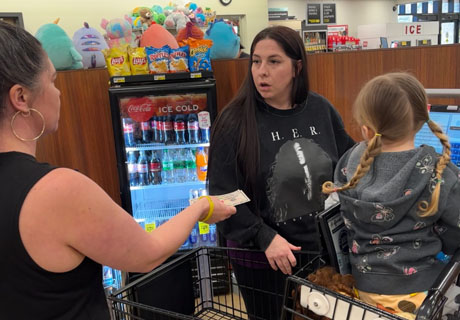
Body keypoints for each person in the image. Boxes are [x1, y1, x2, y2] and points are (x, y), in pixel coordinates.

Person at [0, 21, 236, 319]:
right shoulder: (57, 190)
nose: (58, 93)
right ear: (21, 97)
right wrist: (201, 206)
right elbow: (147, 254)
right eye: (53, 80)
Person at [208, 25, 355, 319]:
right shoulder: (234, 121)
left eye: (274, 62)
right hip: (265, 262)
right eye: (256, 61)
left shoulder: (320, 109)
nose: (262, 71)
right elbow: (223, 194)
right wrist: (265, 237)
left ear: (296, 67)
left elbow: (350, 164)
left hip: (321, 255)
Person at [322, 72, 460, 319]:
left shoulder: (350, 163)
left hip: (362, 293)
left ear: (366, 129)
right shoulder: (438, 171)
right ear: (422, 121)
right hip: (421, 296)